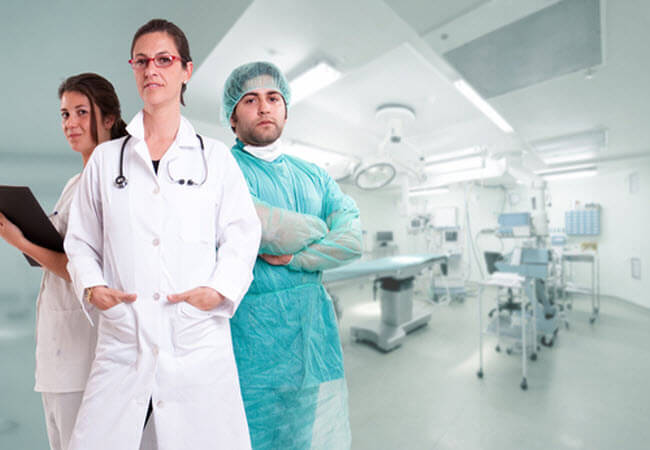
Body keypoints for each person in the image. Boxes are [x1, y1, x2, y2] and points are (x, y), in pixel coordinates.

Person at [64, 19, 260, 450]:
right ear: (133, 69)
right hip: (123, 339)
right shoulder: (106, 160)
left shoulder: (215, 159)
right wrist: (93, 287)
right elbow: (80, 241)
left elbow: (243, 236)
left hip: (195, 338)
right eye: (141, 61)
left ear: (186, 70)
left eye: (164, 60)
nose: (151, 69)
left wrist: (218, 290)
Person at [222, 61, 363, 449]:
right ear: (232, 116)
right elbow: (265, 228)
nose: (264, 107)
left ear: (285, 110)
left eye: (273, 98)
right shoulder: (223, 170)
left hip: (310, 337)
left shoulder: (315, 175)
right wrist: (322, 230)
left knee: (301, 438)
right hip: (252, 343)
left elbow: (352, 240)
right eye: (250, 100)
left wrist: (295, 257)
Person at [0, 73, 127, 450]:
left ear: (108, 118)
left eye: (81, 112)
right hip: (59, 355)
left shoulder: (110, 184)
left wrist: (21, 241)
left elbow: (85, 273)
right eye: (65, 114)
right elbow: (64, 253)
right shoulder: (77, 182)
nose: (70, 123)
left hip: (84, 355)